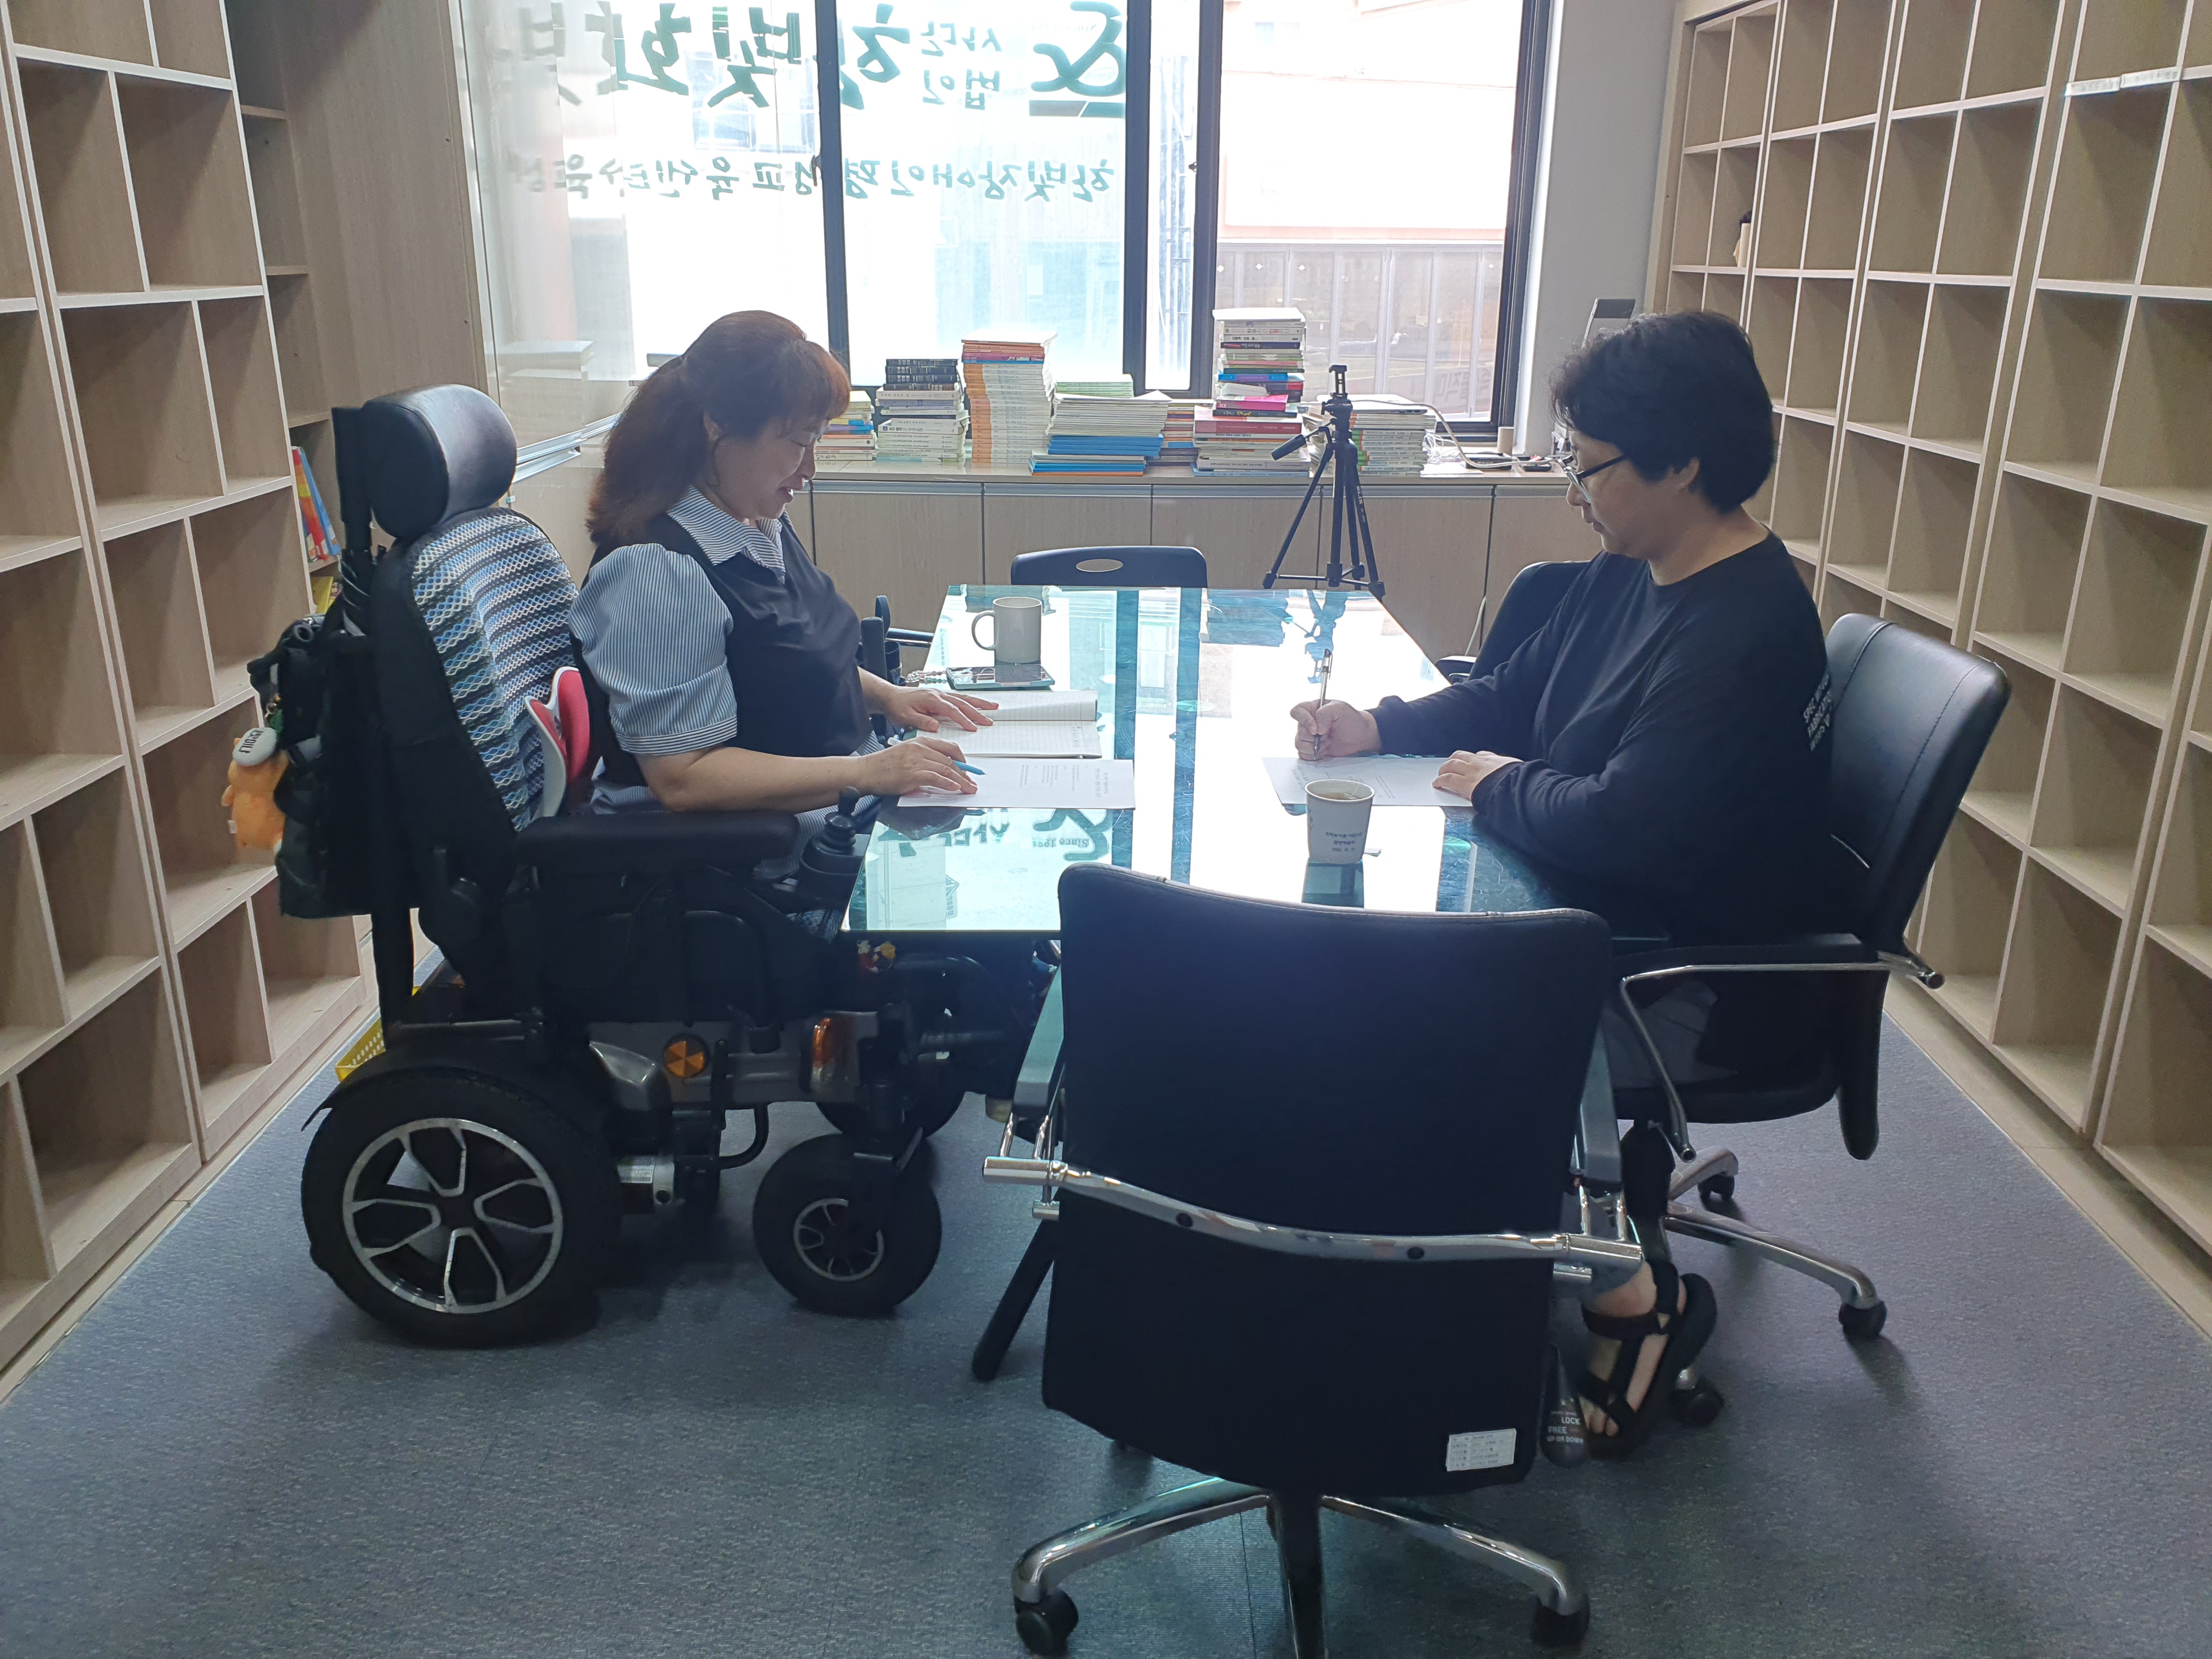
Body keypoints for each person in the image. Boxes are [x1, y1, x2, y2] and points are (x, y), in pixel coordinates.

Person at [1290, 310, 1841, 1457]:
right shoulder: (1633, 570)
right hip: (1591, 913)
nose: (1574, 490)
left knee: (1397, 1009)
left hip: (1681, 969)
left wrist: (1498, 785)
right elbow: (1511, 693)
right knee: (1376, 983)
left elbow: (1626, 825)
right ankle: (1464, 1241)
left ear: (1680, 465)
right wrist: (1378, 723)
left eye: (1587, 465)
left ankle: (1632, 1294)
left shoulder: (1744, 630)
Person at [574, 310, 990, 814]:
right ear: (716, 427)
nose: (809, 469)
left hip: (845, 794)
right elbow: (685, 777)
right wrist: (867, 773)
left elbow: (784, 664)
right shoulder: (655, 573)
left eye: (816, 441)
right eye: (797, 443)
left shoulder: (757, 519)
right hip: (773, 840)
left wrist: (889, 697)